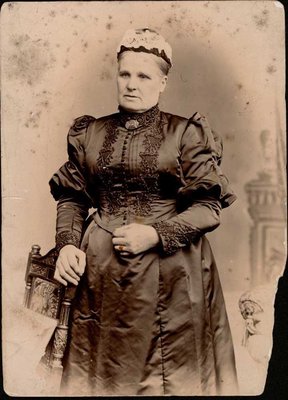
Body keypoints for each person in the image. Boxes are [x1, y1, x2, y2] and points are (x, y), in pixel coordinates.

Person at [49, 28, 238, 396]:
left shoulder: (185, 134)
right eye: (125, 74)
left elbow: (208, 207)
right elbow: (72, 197)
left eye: (144, 76)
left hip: (168, 276)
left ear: (163, 81)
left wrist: (155, 234)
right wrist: (68, 244)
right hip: (99, 277)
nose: (131, 84)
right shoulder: (91, 133)